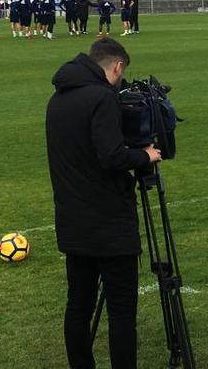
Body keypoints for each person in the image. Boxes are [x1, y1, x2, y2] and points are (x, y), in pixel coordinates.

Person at [47, 38, 162, 369]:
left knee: (78, 305)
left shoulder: (56, 99)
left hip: (72, 220)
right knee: (122, 309)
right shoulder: (102, 97)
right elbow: (111, 156)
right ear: (118, 66)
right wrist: (146, 155)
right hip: (110, 224)